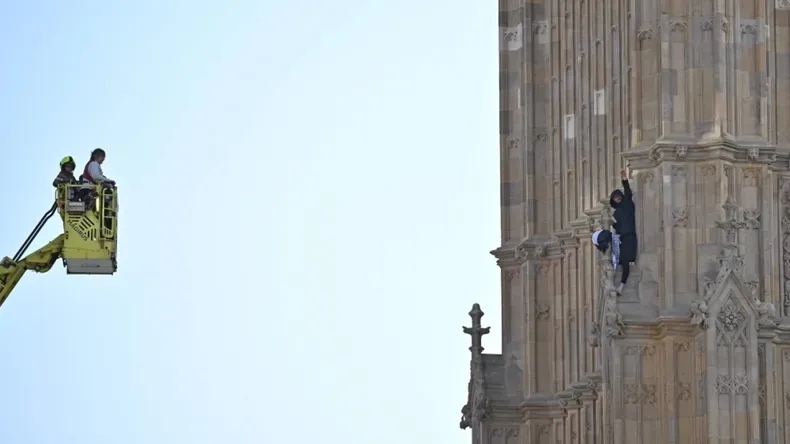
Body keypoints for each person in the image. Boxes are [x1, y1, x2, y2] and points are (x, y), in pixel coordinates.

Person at [609, 168, 637, 295]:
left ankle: (621, 286)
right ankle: (613, 284)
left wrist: (624, 178)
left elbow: (628, 191)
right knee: (618, 260)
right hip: (621, 239)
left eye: (618, 196)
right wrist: (611, 222)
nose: (618, 198)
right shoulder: (616, 213)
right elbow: (616, 227)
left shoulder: (627, 204)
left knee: (626, 261)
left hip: (630, 236)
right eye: (615, 198)